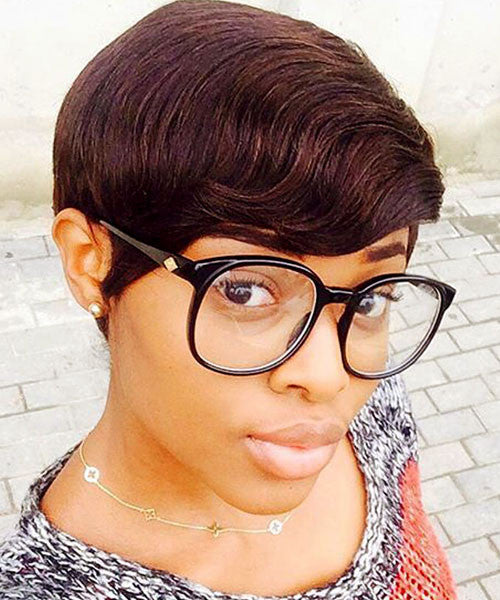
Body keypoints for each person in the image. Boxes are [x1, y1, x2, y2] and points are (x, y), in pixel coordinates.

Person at [0, 1, 459, 598]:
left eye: (371, 299)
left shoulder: (377, 409)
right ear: (92, 262)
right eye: (245, 290)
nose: (328, 377)